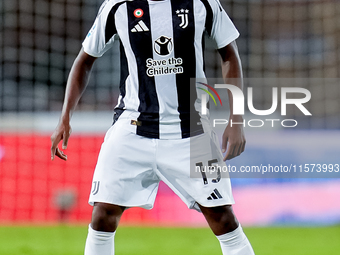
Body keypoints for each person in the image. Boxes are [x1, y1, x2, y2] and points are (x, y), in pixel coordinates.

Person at [51, 0, 255, 254]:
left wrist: (236, 119)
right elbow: (84, 60)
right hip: (132, 128)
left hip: (192, 129)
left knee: (223, 218)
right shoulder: (117, 5)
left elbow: (229, 53)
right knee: (103, 215)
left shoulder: (202, 3)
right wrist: (65, 116)